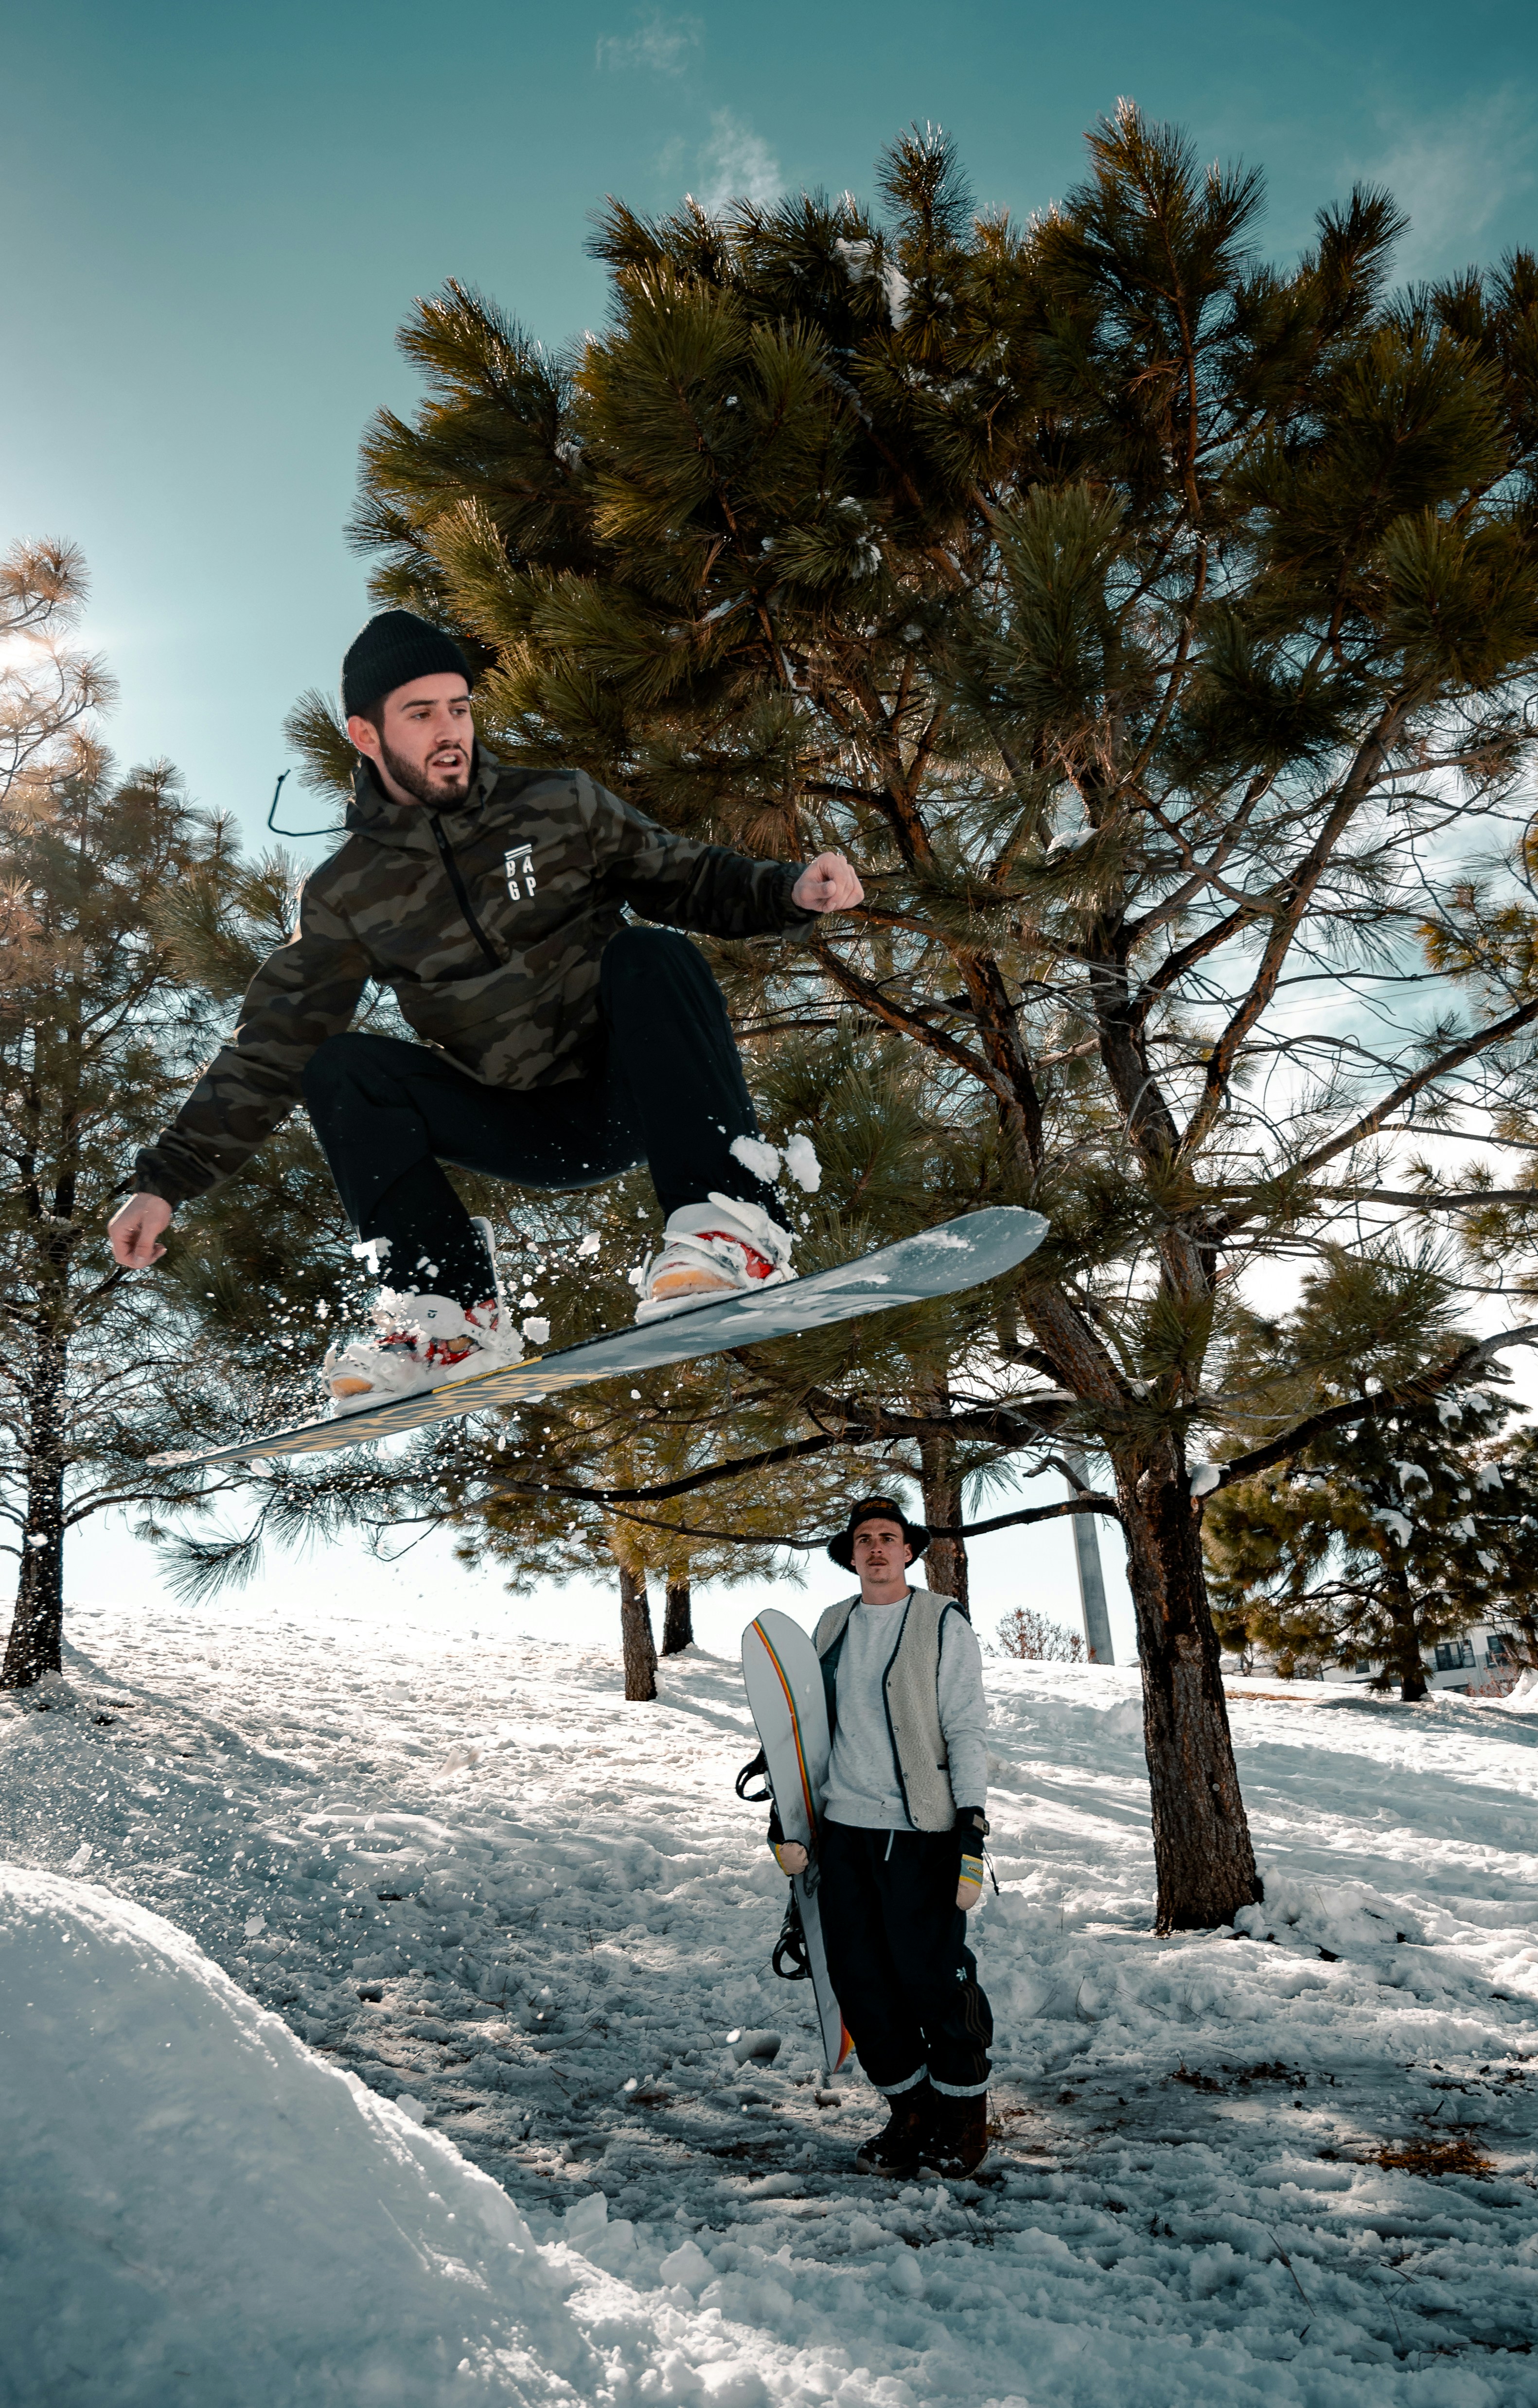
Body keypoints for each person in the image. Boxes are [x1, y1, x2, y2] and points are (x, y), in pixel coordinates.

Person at [106, 608, 863, 1404]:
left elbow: (687, 877)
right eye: (421, 713)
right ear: (367, 736)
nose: (449, 731)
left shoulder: (559, 805)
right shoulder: (348, 892)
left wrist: (786, 889)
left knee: (651, 951)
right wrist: (167, 1182)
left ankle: (728, 1228)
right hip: (518, 1124)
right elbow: (272, 1044)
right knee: (340, 1067)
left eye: (459, 708)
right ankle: (447, 1316)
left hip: (634, 1089)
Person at [773, 1495, 993, 2180]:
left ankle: (963, 2119)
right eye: (864, 1538)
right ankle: (911, 2111)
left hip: (918, 1833)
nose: (875, 1548)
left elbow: (964, 1726)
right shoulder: (832, 1625)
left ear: (909, 1551)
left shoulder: (939, 1620)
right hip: (843, 1833)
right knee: (860, 1982)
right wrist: (785, 1820)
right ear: (852, 1553)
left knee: (931, 1979)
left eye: (888, 1537)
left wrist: (972, 1829)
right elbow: (802, 1731)